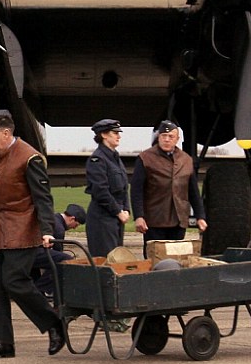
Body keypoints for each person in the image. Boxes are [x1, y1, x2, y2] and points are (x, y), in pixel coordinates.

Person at [0, 114, 64, 359]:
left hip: (22, 227)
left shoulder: (29, 157)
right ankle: (2, 343)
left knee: (14, 281)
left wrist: (47, 231)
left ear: (6, 134)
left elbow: (43, 198)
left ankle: (54, 324)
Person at [130, 120, 208, 257]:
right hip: (154, 220)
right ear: (158, 137)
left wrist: (200, 216)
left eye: (170, 137)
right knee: (154, 257)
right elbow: (136, 190)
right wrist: (139, 216)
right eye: (163, 136)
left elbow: (193, 192)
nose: (166, 140)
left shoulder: (186, 160)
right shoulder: (146, 158)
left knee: (177, 258)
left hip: (178, 220)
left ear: (177, 139)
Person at [84, 119, 130, 258]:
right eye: (114, 133)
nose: (118, 136)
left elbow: (123, 187)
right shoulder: (97, 159)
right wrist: (118, 212)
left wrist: (126, 209)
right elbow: (101, 191)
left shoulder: (115, 158)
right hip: (102, 219)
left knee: (117, 260)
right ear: (104, 135)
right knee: (105, 261)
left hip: (116, 218)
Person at [32, 203, 86, 296]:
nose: (74, 228)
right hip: (33, 253)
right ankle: (39, 289)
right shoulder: (59, 228)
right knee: (64, 261)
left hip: (29, 249)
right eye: (76, 224)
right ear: (72, 219)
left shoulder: (54, 218)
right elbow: (57, 253)